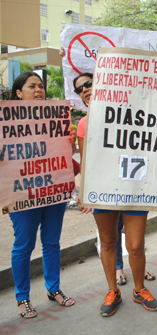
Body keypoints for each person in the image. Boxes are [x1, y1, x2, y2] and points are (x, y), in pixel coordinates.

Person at [76, 76, 157, 317]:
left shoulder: (133, 112)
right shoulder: (84, 123)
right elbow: (86, 162)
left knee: (135, 245)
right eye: (80, 89)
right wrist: (84, 193)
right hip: (103, 190)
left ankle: (139, 289)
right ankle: (113, 291)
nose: (85, 90)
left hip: (134, 187)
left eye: (89, 83)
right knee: (108, 242)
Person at [9, 72, 75, 318]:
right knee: (24, 246)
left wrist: (69, 142)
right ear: (19, 92)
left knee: (51, 242)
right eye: (31, 86)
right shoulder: (5, 123)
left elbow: (66, 155)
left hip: (53, 191)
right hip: (23, 195)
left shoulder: (55, 118)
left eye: (41, 86)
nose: (39, 90)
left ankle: (53, 289)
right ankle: (22, 298)